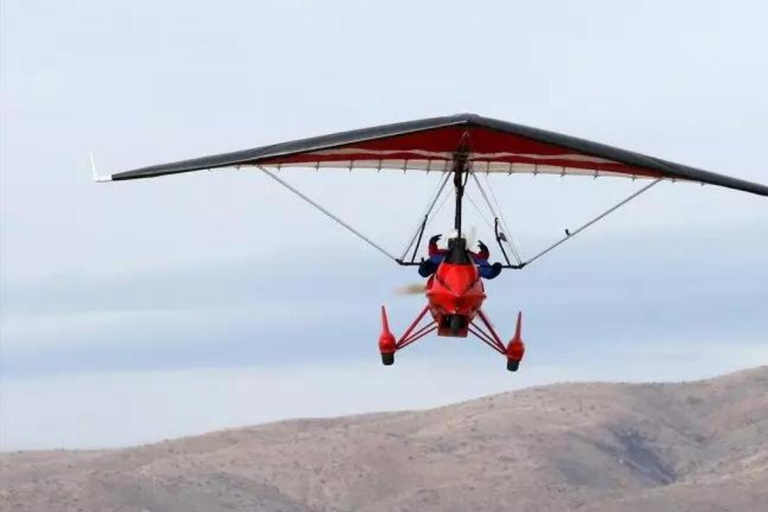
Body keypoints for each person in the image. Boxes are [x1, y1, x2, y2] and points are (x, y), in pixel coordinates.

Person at [418, 234, 502, 279]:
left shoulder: (468, 255)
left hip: (467, 277)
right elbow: (433, 256)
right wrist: (432, 243)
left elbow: (481, 260)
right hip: (446, 275)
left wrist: (484, 251)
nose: (457, 244)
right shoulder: (442, 255)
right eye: (454, 242)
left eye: (459, 242)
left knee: (486, 271)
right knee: (426, 269)